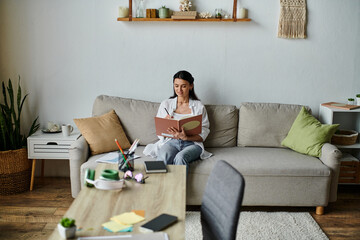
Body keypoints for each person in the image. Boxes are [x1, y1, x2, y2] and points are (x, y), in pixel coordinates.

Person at [143, 70, 212, 173]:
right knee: (163, 157)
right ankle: (157, 187)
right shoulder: (166, 104)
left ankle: (179, 189)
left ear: (191, 86)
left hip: (192, 144)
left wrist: (186, 137)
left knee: (180, 157)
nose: (179, 90)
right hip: (171, 142)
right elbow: (160, 133)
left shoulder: (199, 106)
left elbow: (204, 132)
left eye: (183, 86)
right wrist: (164, 123)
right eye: (176, 86)